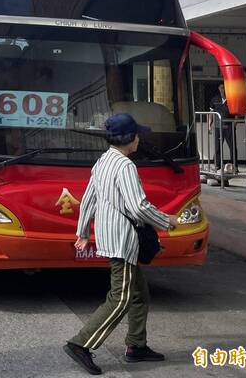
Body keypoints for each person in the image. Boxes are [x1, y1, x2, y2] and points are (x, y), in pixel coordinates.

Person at [63, 113, 179, 376]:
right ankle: (81, 343)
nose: (139, 139)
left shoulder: (103, 161)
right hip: (122, 239)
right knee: (121, 297)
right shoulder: (125, 166)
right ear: (129, 138)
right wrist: (166, 220)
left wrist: (82, 232)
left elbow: (89, 197)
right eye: (137, 134)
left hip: (109, 236)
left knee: (139, 294)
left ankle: (136, 346)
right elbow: (137, 207)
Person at [207, 83, 233, 185]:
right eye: (222, 88)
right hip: (218, 127)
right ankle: (217, 165)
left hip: (229, 126)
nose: (223, 89)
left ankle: (233, 166)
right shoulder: (214, 99)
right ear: (219, 88)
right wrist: (209, 125)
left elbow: (236, 113)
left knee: (232, 146)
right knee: (217, 147)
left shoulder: (231, 98)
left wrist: (234, 123)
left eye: (225, 88)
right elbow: (211, 113)